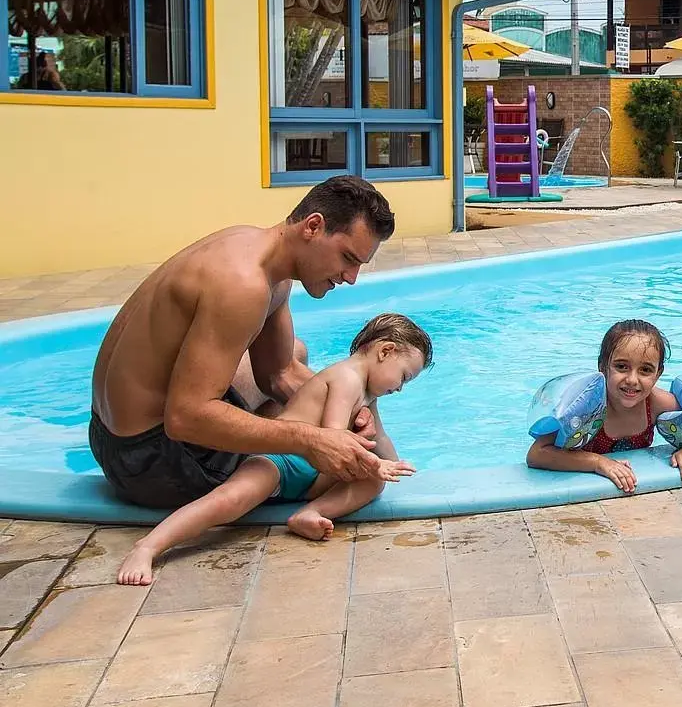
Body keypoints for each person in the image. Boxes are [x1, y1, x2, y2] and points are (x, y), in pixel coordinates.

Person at [90, 175, 396, 510]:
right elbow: (185, 418)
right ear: (313, 226)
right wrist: (312, 440)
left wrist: (354, 408)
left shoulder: (257, 249)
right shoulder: (242, 285)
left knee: (296, 354)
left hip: (113, 434)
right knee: (338, 468)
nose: (351, 278)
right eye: (348, 258)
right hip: (149, 462)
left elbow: (278, 374)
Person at [117, 313, 433, 585]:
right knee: (229, 500)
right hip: (280, 461)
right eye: (404, 376)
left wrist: (396, 465)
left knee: (373, 482)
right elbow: (333, 438)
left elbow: (381, 439)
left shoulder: (369, 393)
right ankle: (148, 547)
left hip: (315, 473)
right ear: (384, 351)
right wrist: (375, 464)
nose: (401, 387)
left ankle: (311, 513)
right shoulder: (347, 378)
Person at [526, 320, 682, 492]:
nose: (632, 380)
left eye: (646, 370)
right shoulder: (584, 406)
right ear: (603, 366)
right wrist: (597, 463)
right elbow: (537, 454)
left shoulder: (658, 404)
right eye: (622, 366)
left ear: (658, 374)